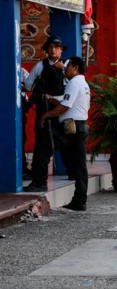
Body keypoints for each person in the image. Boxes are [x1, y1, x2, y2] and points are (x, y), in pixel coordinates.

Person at [37, 58, 90, 211]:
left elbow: (65, 106)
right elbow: (67, 102)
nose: (65, 69)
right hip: (78, 126)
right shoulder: (82, 83)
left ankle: (38, 181)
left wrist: (45, 116)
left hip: (72, 127)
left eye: (67, 67)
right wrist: (53, 100)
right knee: (78, 165)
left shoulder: (74, 83)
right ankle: (79, 200)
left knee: (45, 145)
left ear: (75, 67)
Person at [23, 36, 67, 192]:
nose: (53, 50)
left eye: (56, 47)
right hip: (44, 110)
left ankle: (42, 181)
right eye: (50, 47)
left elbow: (71, 91)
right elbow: (28, 85)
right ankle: (39, 181)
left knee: (61, 144)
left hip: (61, 111)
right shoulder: (40, 66)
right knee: (42, 147)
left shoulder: (68, 68)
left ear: (61, 50)